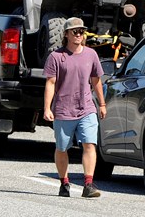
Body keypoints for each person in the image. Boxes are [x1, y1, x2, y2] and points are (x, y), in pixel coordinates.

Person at [43, 17, 106, 199]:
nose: (78, 34)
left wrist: (101, 104)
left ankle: (88, 184)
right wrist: (47, 108)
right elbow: (51, 83)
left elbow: (96, 81)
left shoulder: (91, 55)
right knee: (62, 148)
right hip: (63, 109)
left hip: (86, 108)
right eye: (74, 31)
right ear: (66, 34)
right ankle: (64, 182)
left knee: (89, 144)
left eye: (81, 31)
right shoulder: (56, 57)